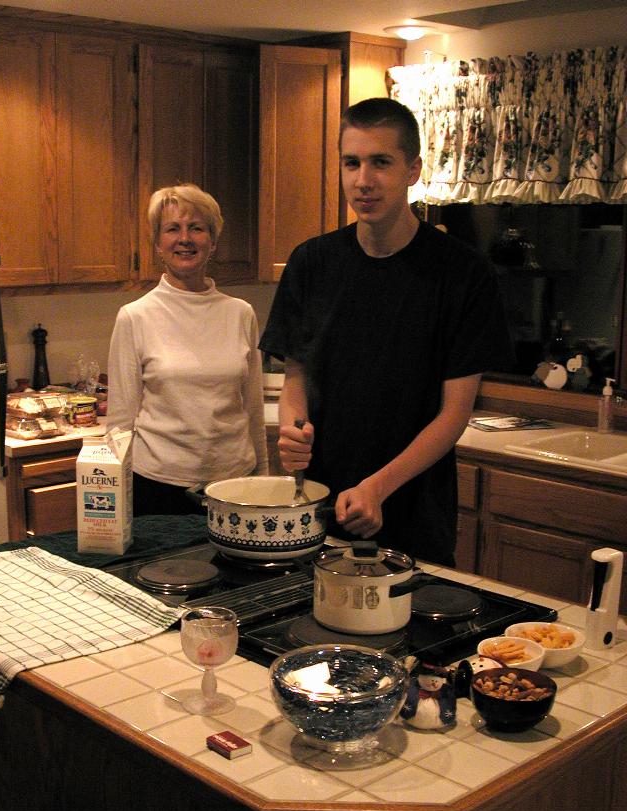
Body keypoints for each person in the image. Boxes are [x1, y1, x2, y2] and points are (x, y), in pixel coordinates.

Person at [259, 98, 513, 565]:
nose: (363, 180)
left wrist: (378, 486)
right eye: (351, 162)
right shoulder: (311, 263)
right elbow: (296, 377)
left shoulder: (462, 274)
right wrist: (292, 430)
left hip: (415, 514)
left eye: (381, 162)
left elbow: (453, 415)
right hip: (317, 509)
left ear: (412, 170)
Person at [107, 183, 268, 515]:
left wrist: (263, 479)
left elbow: (253, 408)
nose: (185, 238)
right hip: (157, 486)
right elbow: (120, 424)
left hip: (234, 483)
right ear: (158, 243)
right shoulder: (135, 317)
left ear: (212, 241)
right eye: (172, 229)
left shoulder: (240, 313)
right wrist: (115, 501)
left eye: (197, 227)